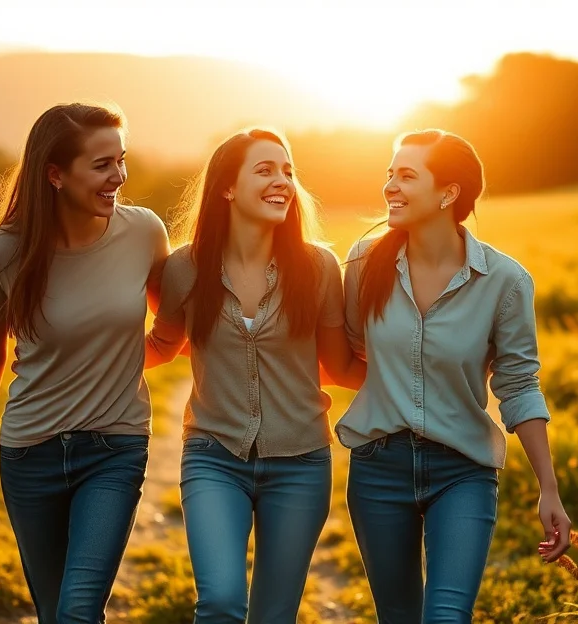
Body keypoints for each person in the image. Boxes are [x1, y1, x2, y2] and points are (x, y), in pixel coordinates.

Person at [0, 103, 169, 623]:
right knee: (55, 613)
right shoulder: (1, 254)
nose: (119, 176)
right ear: (55, 174)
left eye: (122, 160)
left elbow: (174, 324)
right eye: (102, 165)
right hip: (30, 454)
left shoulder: (143, 233)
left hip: (115, 446)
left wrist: (128, 363)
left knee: (78, 611)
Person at [338, 129, 570, 623]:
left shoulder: (505, 281)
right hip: (379, 466)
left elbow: (519, 384)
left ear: (448, 193)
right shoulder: (363, 264)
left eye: (407, 176)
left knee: (446, 616)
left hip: (462, 469)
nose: (390, 187)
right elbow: (355, 351)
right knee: (398, 616)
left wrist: (548, 487)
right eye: (389, 174)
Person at [146, 128, 363, 623]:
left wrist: (426, 376)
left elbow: (341, 365)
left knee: (274, 615)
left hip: (301, 463)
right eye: (264, 170)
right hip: (212, 457)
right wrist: (71, 358)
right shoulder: (184, 267)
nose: (282, 180)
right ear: (227, 187)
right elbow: (161, 345)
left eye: (287, 170)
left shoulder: (318, 267)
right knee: (220, 601)